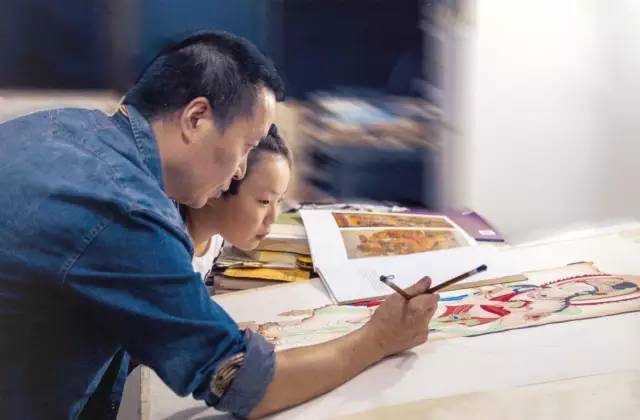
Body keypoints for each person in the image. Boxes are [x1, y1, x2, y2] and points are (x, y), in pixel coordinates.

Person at [0, 31, 438, 419]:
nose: (240, 169)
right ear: (196, 118)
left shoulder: (63, 126)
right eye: (246, 146)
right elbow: (242, 383)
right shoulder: (127, 209)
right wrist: (378, 339)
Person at [182, 123, 292, 281]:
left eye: (280, 200)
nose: (273, 218)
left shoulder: (215, 239)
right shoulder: (167, 248)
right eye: (264, 201)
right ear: (216, 188)